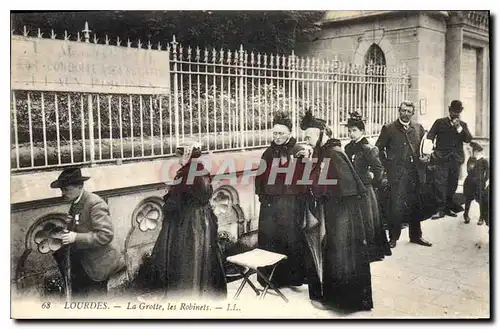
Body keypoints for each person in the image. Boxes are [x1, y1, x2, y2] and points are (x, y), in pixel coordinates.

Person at [298, 109, 373, 312]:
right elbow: (314, 182)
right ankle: (333, 297)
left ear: (322, 133)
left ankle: (344, 303)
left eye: (310, 136)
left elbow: (344, 188)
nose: (307, 140)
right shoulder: (323, 153)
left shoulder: (335, 153)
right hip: (332, 213)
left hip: (342, 216)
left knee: (341, 255)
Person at [140, 138, 227, 300]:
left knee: (188, 258)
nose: (178, 160)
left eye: (180, 156)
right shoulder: (202, 170)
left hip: (189, 222)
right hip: (203, 218)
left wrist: (167, 201)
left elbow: (176, 201)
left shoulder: (186, 173)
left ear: (187, 155)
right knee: (203, 256)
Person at [51, 167, 125, 299]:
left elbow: (105, 235)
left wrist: (75, 237)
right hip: (81, 262)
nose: (63, 193)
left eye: (66, 189)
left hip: (96, 265)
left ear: (80, 186)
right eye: (62, 189)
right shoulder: (76, 202)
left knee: (95, 301)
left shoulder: (95, 203)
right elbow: (82, 224)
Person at [254, 111, 308, 288]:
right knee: (270, 238)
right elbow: (260, 178)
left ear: (290, 134)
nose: (277, 137)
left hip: (290, 204)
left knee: (290, 239)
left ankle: (292, 278)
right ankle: (270, 279)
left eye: (281, 133)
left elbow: (306, 171)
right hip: (270, 204)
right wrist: (263, 197)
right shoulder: (268, 153)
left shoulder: (297, 150)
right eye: (275, 133)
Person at [375, 101, 432, 248]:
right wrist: (388, 165)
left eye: (409, 111)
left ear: (413, 114)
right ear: (398, 111)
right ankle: (393, 238)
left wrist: (426, 158)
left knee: (416, 205)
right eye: (403, 110)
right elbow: (378, 150)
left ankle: (416, 236)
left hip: (415, 173)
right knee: (396, 206)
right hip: (398, 174)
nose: (405, 114)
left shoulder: (418, 128)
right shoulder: (389, 128)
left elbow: (425, 148)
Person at [344, 112, 391, 262]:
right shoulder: (348, 147)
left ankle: (371, 252)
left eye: (354, 131)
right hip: (352, 188)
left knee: (368, 221)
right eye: (349, 130)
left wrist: (372, 183)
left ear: (362, 132)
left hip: (365, 189)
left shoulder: (368, 148)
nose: (351, 133)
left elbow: (378, 169)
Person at [427, 100, 473, 219]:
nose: (456, 114)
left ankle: (448, 208)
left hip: (456, 159)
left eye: (458, 112)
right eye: (454, 111)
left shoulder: (462, 125)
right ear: (449, 109)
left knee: (452, 184)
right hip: (441, 159)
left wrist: (459, 128)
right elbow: (430, 136)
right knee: (440, 184)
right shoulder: (440, 122)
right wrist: (432, 152)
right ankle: (440, 210)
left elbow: (468, 139)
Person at [463, 142, 489, 225]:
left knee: (481, 201)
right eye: (473, 151)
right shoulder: (471, 160)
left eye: (475, 151)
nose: (474, 153)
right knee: (468, 200)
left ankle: (481, 217)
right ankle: (466, 215)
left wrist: (484, 180)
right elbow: (469, 170)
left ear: (477, 151)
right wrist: (472, 159)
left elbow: (488, 172)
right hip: (469, 182)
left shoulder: (483, 160)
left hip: (479, 183)